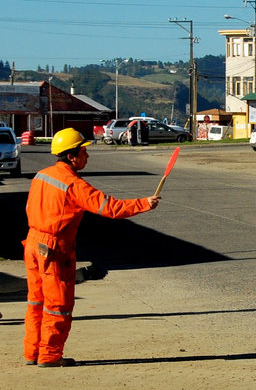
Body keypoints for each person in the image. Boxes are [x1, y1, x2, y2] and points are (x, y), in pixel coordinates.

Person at [23, 128, 160, 367]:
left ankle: (31, 352)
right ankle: (49, 356)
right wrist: (144, 204)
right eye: (84, 151)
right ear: (71, 156)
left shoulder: (41, 176)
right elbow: (111, 208)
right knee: (58, 306)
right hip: (54, 248)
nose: (87, 156)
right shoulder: (74, 185)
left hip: (33, 243)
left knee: (36, 301)